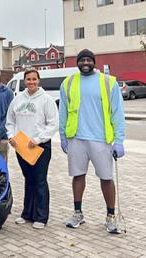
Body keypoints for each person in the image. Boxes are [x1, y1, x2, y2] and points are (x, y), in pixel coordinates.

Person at [59, 49, 125, 234]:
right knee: (78, 176)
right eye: (82, 60)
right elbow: (63, 112)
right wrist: (63, 136)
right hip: (76, 139)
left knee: (106, 178)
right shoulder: (69, 82)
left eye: (89, 60)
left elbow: (117, 113)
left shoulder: (108, 82)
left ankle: (110, 216)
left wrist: (119, 140)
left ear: (94, 62)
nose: (85, 62)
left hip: (101, 140)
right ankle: (78, 213)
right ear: (78, 63)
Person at [6, 68, 58, 229]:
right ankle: (27, 213)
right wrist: (11, 136)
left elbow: (53, 123)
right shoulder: (17, 99)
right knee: (28, 180)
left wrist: (38, 139)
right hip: (22, 147)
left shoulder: (46, 100)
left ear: (38, 80)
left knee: (39, 181)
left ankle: (41, 216)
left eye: (34, 79)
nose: (31, 82)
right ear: (24, 81)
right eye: (28, 79)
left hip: (40, 147)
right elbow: (10, 120)